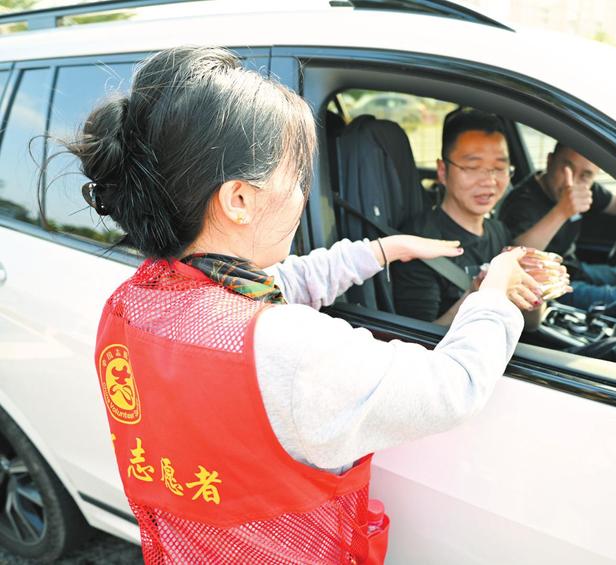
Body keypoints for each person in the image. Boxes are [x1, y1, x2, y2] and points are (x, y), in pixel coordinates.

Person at [56, 47, 538, 564]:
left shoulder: (136, 302)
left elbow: (272, 286)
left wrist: (382, 251)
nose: (304, 197)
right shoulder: (291, 347)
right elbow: (452, 388)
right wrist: (495, 294)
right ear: (239, 199)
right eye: (296, 178)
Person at [392, 108, 616, 370]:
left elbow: (531, 324)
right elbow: (419, 347)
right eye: (473, 167)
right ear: (442, 171)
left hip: (515, 352)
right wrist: (477, 295)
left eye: (499, 168)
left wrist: (537, 293)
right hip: (475, 371)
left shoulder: (497, 231)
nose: (489, 181)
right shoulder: (419, 245)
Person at [499, 141, 616, 313]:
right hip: (550, 286)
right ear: (549, 161)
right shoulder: (521, 203)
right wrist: (562, 211)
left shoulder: (584, 187)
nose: (572, 181)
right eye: (567, 167)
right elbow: (516, 257)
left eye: (586, 175)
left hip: (574, 268)